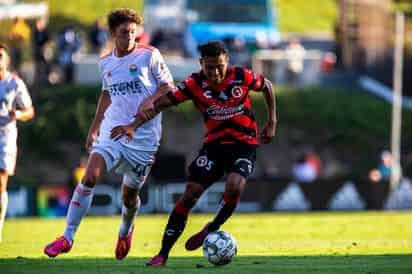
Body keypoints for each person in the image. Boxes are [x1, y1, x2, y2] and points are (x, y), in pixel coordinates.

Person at [111, 40, 277, 266]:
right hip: (214, 147)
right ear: (201, 64)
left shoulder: (242, 76)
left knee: (235, 185)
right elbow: (162, 103)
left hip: (244, 144)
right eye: (210, 67)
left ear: (226, 61)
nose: (216, 72)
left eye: (220, 66)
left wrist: (271, 122)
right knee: (190, 194)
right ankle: (163, 254)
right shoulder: (194, 83)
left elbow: (266, 85)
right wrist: (133, 125)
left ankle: (212, 227)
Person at [44, 8, 174, 259]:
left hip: (144, 138)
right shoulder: (105, 62)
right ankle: (67, 237)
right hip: (112, 130)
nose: (131, 37)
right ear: (113, 33)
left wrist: (152, 99)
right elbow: (107, 94)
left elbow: (169, 87)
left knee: (129, 196)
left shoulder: (150, 56)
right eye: (125, 32)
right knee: (90, 177)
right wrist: (94, 128)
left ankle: (126, 230)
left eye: (134, 32)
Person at [0, 43, 35, 242]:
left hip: (6, 136)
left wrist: (19, 114)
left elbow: (30, 110)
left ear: (6, 59)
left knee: (1, 180)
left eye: (0, 55)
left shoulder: (14, 83)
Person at [32, 18, 51, 85]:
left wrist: (44, 48)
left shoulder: (46, 32)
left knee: (46, 66)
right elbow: (34, 42)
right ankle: (38, 81)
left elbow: (48, 41)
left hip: (45, 52)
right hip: (37, 52)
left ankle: (46, 81)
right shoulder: (35, 32)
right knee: (38, 67)